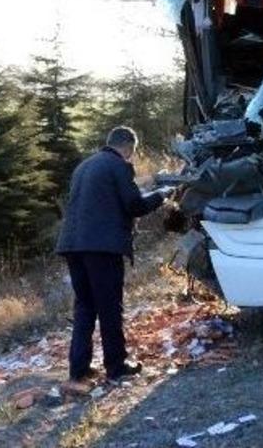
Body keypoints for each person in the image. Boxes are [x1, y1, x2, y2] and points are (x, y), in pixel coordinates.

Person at [55, 126, 172, 384]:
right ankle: (116, 366)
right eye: (133, 151)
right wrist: (162, 196)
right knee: (109, 306)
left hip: (73, 245)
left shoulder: (84, 166)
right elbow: (134, 205)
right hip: (102, 248)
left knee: (85, 306)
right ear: (129, 147)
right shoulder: (118, 165)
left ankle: (79, 369)